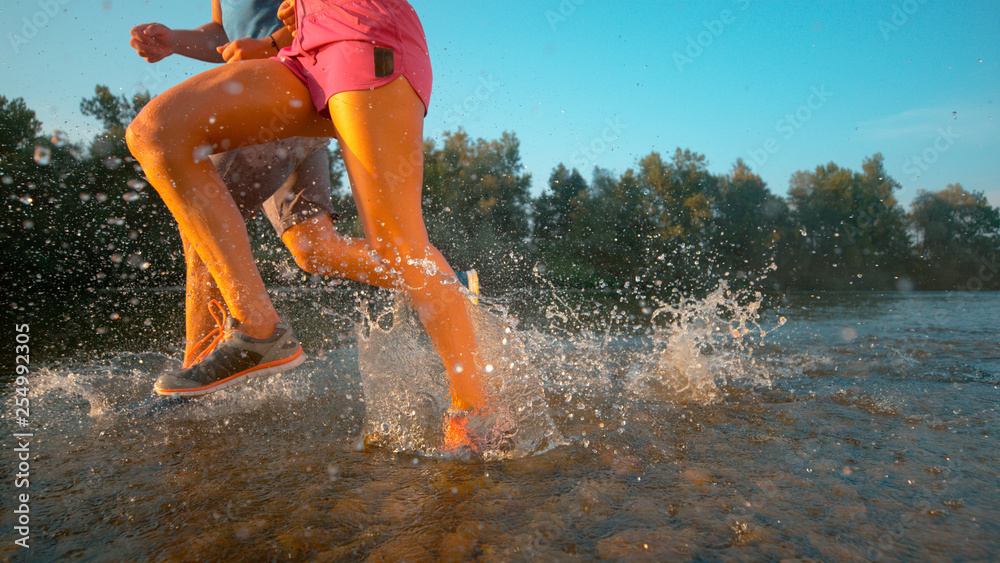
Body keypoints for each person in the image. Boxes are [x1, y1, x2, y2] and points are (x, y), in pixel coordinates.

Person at [126, 0, 487, 425]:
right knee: (157, 133)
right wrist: (185, 41)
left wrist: (272, 39)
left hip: (358, 37)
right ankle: (258, 328)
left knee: (398, 246)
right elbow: (223, 34)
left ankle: (476, 412)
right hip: (300, 56)